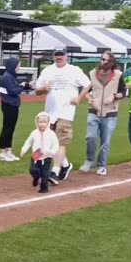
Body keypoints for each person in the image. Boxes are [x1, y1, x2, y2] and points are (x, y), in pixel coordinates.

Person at [35, 46, 91, 183]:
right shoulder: (48, 71)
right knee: (50, 143)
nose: (59, 57)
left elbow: (87, 84)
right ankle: (65, 165)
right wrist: (43, 88)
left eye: (61, 54)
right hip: (50, 113)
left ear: (66, 56)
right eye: (56, 55)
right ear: (53, 56)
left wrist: (79, 98)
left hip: (66, 111)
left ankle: (55, 170)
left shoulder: (74, 70)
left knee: (60, 141)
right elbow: (37, 90)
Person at [80, 51, 126, 176]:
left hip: (110, 112)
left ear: (112, 63)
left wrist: (115, 96)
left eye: (108, 60)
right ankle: (89, 160)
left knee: (105, 141)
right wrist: (90, 99)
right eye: (103, 59)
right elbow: (85, 90)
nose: (105, 62)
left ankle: (102, 165)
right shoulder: (92, 74)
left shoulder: (118, 75)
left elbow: (124, 91)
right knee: (90, 137)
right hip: (94, 111)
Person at [21, 112, 59, 193]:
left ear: (48, 123)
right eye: (40, 122)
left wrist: (52, 152)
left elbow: (56, 144)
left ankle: (44, 188)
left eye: (44, 122)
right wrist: (24, 149)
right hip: (36, 155)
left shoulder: (51, 133)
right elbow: (28, 142)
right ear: (37, 122)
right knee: (33, 169)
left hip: (47, 156)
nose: (42, 124)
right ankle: (36, 178)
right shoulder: (34, 133)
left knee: (45, 174)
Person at [0, 57, 28, 161]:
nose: (19, 67)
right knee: (7, 128)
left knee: (11, 128)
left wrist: (24, 85)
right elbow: (13, 91)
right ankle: (2, 153)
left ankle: (8, 151)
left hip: (12, 104)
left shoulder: (11, 76)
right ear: (13, 65)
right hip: (8, 104)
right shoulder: (7, 77)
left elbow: (14, 88)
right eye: (18, 65)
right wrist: (22, 86)